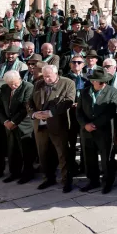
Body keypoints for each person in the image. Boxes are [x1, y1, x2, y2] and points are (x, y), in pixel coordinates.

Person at [29, 64, 77, 192]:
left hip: (58, 124)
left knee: (63, 154)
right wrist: (34, 114)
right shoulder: (38, 84)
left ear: (56, 74)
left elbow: (68, 101)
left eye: (49, 77)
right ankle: (48, 178)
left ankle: (67, 180)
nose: (46, 79)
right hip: (41, 125)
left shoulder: (68, 83)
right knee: (43, 154)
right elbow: (29, 101)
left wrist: (51, 113)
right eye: (44, 76)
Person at [76, 67, 117, 193]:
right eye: (100, 81)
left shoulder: (112, 92)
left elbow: (111, 111)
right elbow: (79, 112)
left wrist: (94, 124)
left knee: (106, 157)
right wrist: (85, 125)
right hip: (87, 131)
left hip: (103, 130)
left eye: (105, 81)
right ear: (93, 81)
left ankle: (107, 182)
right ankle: (93, 181)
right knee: (89, 157)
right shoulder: (84, 92)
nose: (103, 83)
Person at [0, 70, 35, 184]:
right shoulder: (4, 88)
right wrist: (5, 121)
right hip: (9, 124)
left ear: (19, 79)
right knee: (12, 150)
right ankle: (14, 172)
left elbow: (25, 107)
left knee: (25, 150)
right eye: (10, 84)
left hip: (23, 124)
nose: (13, 86)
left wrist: (14, 122)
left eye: (15, 83)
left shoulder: (28, 86)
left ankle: (28, 173)